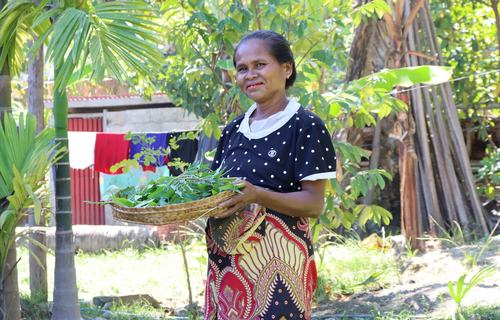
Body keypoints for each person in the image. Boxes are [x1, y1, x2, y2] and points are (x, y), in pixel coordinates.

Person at [205, 30, 336, 320]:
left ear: (286, 68)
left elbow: (314, 204)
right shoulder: (233, 131)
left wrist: (258, 195)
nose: (250, 75)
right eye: (242, 69)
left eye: (260, 65)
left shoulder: (305, 126)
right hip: (227, 268)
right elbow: (216, 193)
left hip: (278, 271)